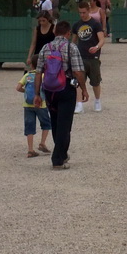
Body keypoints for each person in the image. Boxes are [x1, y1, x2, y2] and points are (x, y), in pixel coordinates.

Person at [33, 20, 89, 170]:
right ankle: (57, 159)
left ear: (54, 32)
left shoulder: (46, 48)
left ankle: (62, 154)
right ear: (68, 33)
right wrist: (83, 88)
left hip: (50, 89)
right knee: (65, 124)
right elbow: (77, 71)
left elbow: (38, 72)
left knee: (56, 122)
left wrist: (37, 93)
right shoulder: (71, 48)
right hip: (66, 88)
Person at [72, 1, 105, 113]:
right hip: (80, 56)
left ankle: (97, 100)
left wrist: (96, 47)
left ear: (88, 11)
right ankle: (79, 103)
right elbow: (74, 41)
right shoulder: (77, 25)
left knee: (95, 81)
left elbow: (102, 40)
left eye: (84, 12)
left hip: (93, 57)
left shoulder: (95, 24)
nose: (82, 15)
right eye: (80, 13)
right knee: (78, 81)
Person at [17, 53, 51, 157]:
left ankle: (30, 149)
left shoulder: (27, 76)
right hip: (41, 104)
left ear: (31, 64)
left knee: (29, 126)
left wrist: (26, 91)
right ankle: (42, 143)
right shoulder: (44, 75)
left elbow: (18, 88)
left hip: (27, 105)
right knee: (46, 124)